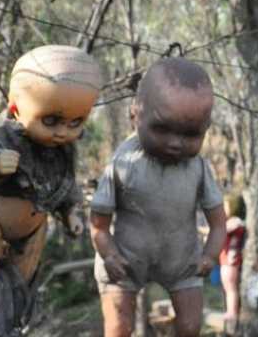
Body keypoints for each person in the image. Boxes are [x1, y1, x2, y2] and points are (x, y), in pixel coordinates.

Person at [0, 45, 102, 336]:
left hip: (33, 226)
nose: (63, 131)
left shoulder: (63, 151)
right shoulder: (5, 137)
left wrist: (70, 214)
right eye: (50, 120)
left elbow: (65, 185)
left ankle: (9, 328)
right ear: (16, 108)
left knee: (19, 287)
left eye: (75, 122)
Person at [89, 58, 227, 337]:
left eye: (190, 134)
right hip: (125, 259)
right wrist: (110, 254)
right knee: (118, 327)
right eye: (162, 129)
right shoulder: (123, 162)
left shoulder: (198, 167)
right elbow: (98, 224)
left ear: (205, 127)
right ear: (135, 116)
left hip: (182, 260)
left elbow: (219, 222)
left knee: (189, 327)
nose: (175, 143)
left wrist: (210, 254)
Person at [220, 192, 246, 335]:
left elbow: (222, 231)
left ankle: (232, 312)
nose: (223, 210)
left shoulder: (235, 221)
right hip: (225, 260)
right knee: (227, 287)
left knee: (231, 287)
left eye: (225, 206)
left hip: (231, 260)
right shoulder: (229, 221)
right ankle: (230, 310)